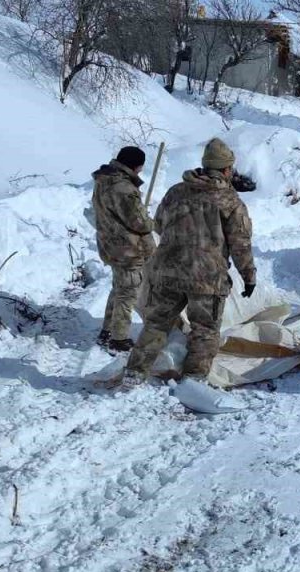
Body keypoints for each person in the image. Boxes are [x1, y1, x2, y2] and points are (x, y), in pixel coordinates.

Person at [121, 138, 257, 388]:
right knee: (204, 330)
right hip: (207, 279)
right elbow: (240, 243)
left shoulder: (176, 191)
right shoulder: (229, 200)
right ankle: (193, 381)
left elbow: (159, 224)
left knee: (156, 324)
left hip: (167, 273)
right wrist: (249, 276)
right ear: (227, 170)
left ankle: (135, 372)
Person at [91, 146, 154, 353]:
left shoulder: (104, 180)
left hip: (110, 244)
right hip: (127, 249)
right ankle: (119, 338)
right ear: (136, 166)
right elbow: (140, 223)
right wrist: (150, 220)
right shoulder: (124, 188)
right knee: (127, 293)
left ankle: (107, 330)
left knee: (119, 288)